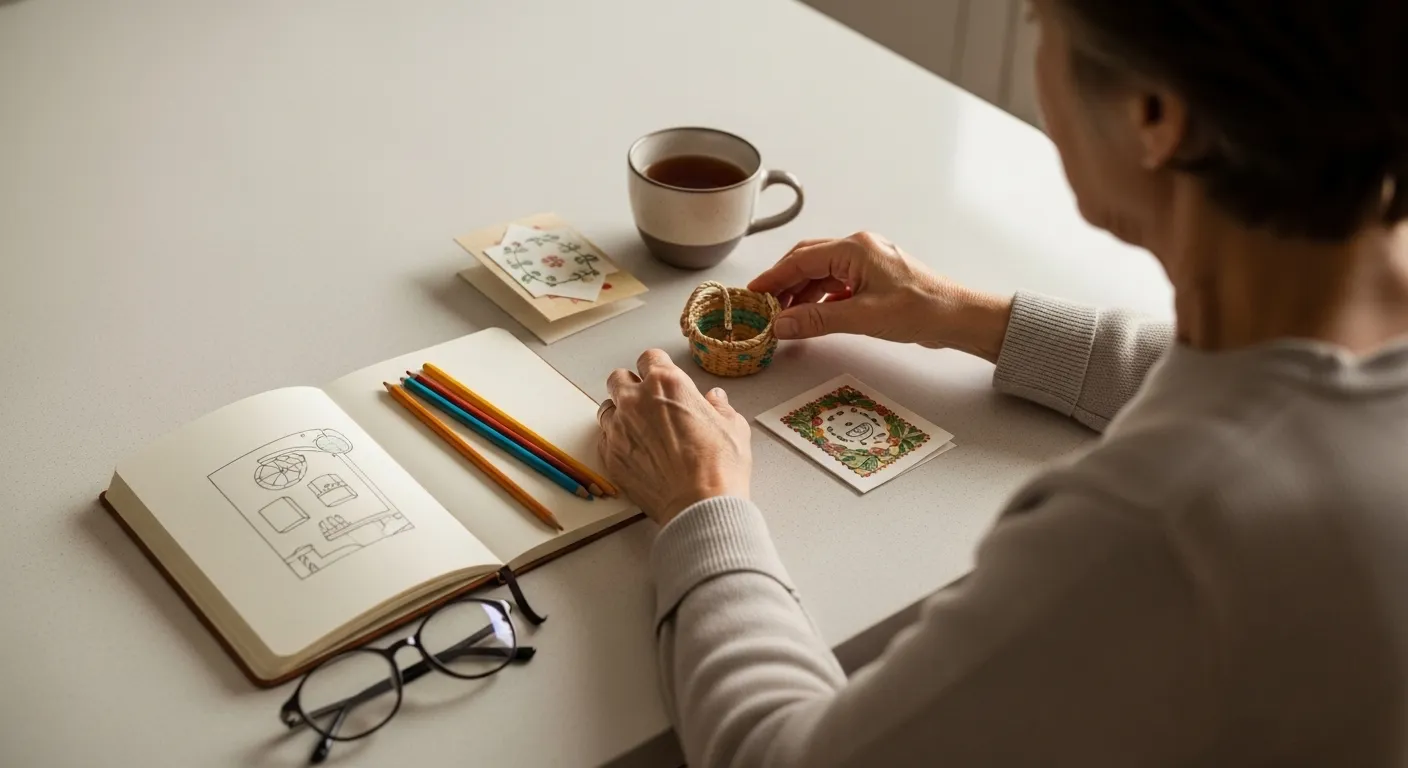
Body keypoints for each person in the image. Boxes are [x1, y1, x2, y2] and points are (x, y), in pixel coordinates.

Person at [596, 0, 1408, 764]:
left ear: (1154, 117)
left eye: (1039, 23)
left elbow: (781, 756)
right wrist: (959, 314)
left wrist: (701, 504)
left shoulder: (1155, 531)